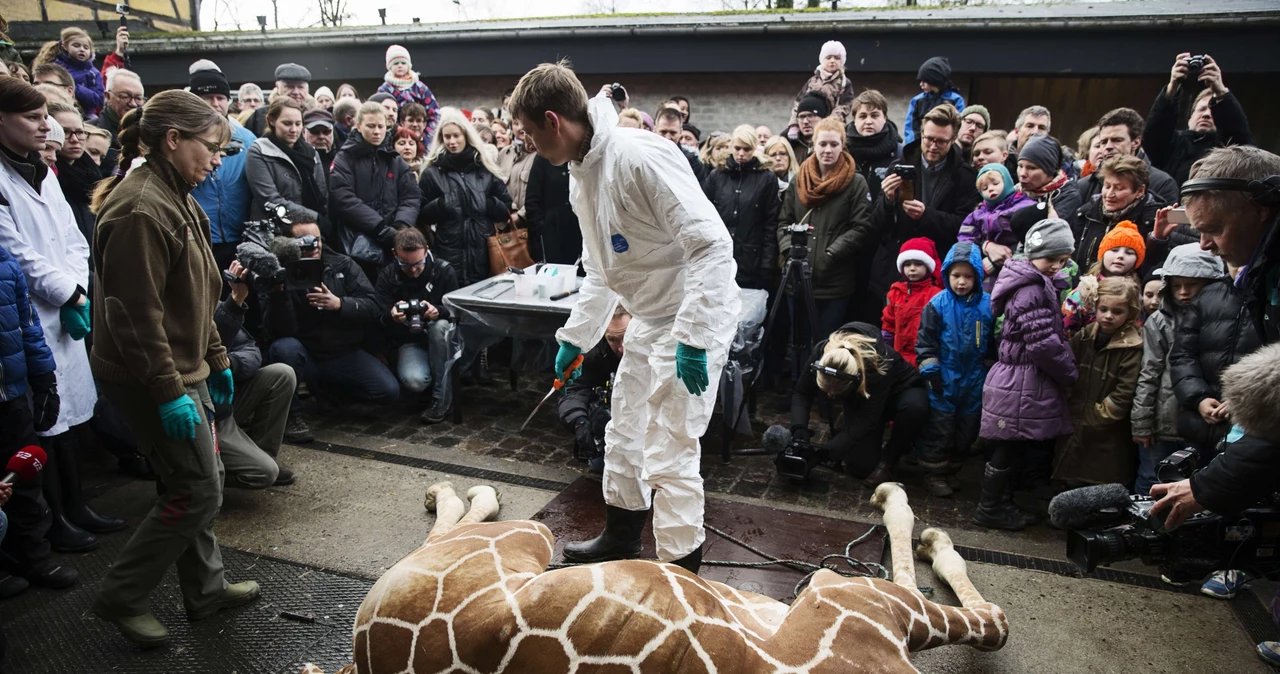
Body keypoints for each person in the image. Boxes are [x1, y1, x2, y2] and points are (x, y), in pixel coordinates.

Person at [509, 61, 740, 574]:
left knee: (670, 446)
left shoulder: (640, 157)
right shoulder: (581, 174)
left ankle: (681, 572)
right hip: (650, 315)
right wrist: (577, 337)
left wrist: (696, 337)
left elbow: (711, 247)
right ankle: (620, 536)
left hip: (693, 315)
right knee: (627, 428)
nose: (527, 143)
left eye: (528, 131)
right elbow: (600, 269)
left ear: (553, 120)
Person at [88, 89, 259, 647]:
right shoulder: (140, 207)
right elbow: (134, 316)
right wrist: (167, 389)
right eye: (211, 148)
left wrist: (214, 357)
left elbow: (195, 289)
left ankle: (205, 590)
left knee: (195, 482)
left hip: (184, 368)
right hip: (150, 375)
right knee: (196, 490)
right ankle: (122, 596)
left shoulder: (175, 190)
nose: (217, 159)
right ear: (172, 140)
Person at [0, 80, 111, 553]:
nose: (44, 125)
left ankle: (77, 505)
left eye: (46, 115)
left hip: (67, 310)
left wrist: (77, 291)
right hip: (30, 315)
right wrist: (67, 292)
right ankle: (55, 520)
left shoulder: (43, 173)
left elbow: (72, 237)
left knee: (70, 417)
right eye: (32, 117)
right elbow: (16, 252)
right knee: (45, 421)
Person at [974, 218, 1078, 531]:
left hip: (1018, 376)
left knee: (1015, 444)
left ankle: (1001, 502)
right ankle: (990, 507)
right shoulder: (1030, 289)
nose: (1056, 267)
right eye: (1051, 260)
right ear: (1034, 255)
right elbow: (1043, 344)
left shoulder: (1030, 281)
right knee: (1009, 446)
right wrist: (1069, 371)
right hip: (1022, 378)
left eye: (1062, 261)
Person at [263, 215, 399, 426]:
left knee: (388, 391)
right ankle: (292, 415)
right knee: (284, 348)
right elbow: (277, 330)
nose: (314, 245)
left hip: (342, 352)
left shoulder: (342, 264)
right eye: (305, 240)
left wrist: (339, 304)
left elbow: (373, 305)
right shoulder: (280, 272)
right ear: (290, 244)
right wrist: (279, 294)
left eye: (317, 239)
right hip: (305, 351)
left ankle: (331, 394)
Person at [0, 206, 72, 595]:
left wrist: (44, 378)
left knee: (24, 478)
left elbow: (27, 324)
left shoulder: (5, 264)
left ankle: (35, 557)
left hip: (11, 394)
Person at [778, 115, 874, 376]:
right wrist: (789, 253)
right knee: (797, 341)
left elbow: (861, 227)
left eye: (834, 144)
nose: (828, 150)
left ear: (843, 145)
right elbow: (783, 222)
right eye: (823, 144)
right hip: (796, 279)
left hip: (834, 283)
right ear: (813, 144)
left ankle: (824, 392)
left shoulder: (855, 182)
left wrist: (831, 253)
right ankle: (798, 390)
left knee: (827, 342)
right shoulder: (799, 180)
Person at [1131, 244, 1223, 495]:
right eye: (1176, 285)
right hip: (1163, 423)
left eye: (1192, 285)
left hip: (1206, 423)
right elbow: (1149, 373)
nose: (1183, 293)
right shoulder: (1159, 320)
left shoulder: (1223, 318)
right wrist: (1141, 423)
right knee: (1151, 481)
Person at [869, 104, 981, 309]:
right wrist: (888, 200)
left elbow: (964, 226)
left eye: (941, 141)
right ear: (921, 134)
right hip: (896, 269)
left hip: (937, 273)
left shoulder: (965, 176)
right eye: (929, 139)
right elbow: (875, 224)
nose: (933, 146)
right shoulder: (899, 166)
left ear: (953, 139)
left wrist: (926, 215)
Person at [790, 322, 928, 486]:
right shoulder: (821, 352)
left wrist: (830, 450)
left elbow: (868, 418)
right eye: (826, 391)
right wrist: (799, 429)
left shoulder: (878, 363)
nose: (830, 395)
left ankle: (889, 460)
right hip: (863, 399)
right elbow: (802, 393)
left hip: (898, 393)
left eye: (835, 393)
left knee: (915, 407)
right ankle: (847, 424)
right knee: (860, 468)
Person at [915, 241, 994, 497]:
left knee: (967, 428)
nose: (961, 282)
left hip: (974, 376)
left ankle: (952, 469)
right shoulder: (938, 304)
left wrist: (991, 365)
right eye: (956, 275)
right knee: (940, 426)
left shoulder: (988, 305)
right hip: (945, 375)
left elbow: (994, 340)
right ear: (947, 274)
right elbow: (926, 341)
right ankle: (933, 472)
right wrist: (930, 370)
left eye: (968, 276)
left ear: (978, 277)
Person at [1052, 277, 1143, 487]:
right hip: (1075, 415)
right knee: (1070, 467)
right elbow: (1067, 368)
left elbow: (1126, 390)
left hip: (1106, 426)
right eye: (1104, 309)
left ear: (1130, 313)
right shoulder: (1084, 336)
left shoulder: (1132, 346)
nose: (1109, 316)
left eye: (1117, 312)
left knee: (1101, 473)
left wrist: (1099, 415)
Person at [215, 261, 296, 487]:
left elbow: (250, 350)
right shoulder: (175, 310)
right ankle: (203, 476)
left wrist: (230, 364)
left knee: (281, 373)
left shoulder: (208, 301)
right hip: (202, 411)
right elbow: (202, 354)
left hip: (224, 403)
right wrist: (235, 301)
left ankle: (261, 454)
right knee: (264, 473)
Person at [374, 229, 459, 424]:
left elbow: (457, 310)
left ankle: (442, 397)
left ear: (426, 250)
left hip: (441, 337)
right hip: (410, 340)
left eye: (418, 264)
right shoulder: (387, 276)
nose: (413, 270)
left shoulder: (443, 270)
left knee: (440, 327)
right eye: (406, 265)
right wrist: (391, 315)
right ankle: (427, 378)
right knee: (415, 381)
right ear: (395, 254)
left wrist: (439, 311)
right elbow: (377, 315)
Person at [330, 101, 421, 282]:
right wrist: (379, 228)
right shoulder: (344, 158)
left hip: (394, 241)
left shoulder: (395, 160)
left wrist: (400, 227)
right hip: (358, 242)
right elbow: (343, 198)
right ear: (358, 125)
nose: (377, 131)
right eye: (371, 126)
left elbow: (411, 196)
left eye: (381, 126)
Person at [1143, 53, 1253, 185]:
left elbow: (1239, 138)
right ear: (1190, 118)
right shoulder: (1173, 145)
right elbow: (1154, 135)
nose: (1206, 115)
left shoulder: (1226, 148)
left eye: (1213, 111)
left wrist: (1221, 92)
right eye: (1201, 109)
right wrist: (1172, 87)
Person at [189, 60, 257, 271]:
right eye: (208, 98)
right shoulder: (184, 139)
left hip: (240, 237)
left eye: (221, 98)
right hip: (199, 238)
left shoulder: (247, 139)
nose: (215, 103)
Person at [702, 124, 780, 292]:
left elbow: (770, 224)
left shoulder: (766, 178)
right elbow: (703, 215)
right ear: (731, 147)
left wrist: (767, 265)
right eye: (737, 148)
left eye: (747, 149)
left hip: (751, 260)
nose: (741, 154)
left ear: (754, 149)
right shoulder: (717, 176)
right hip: (720, 258)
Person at [558, 306, 630, 476]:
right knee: (600, 466)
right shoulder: (594, 352)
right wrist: (578, 421)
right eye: (613, 339)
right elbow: (574, 389)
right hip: (611, 419)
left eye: (626, 337)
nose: (621, 348)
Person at [245, 98, 329, 240]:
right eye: (287, 123)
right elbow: (270, 200)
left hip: (312, 231)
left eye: (298, 123)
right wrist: (315, 217)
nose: (294, 129)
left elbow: (323, 195)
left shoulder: (310, 153)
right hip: (274, 233)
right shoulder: (258, 151)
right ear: (272, 121)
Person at [1072, 155, 1162, 276]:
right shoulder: (1085, 214)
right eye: (1107, 186)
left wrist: (1159, 240)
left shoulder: (1153, 221)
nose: (1109, 194)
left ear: (1140, 191)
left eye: (1119, 188)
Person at [956, 163, 1035, 291]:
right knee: (989, 296)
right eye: (985, 188)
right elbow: (965, 238)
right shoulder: (978, 214)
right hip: (991, 265)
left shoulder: (1024, 205)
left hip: (1020, 261)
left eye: (995, 184)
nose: (990, 189)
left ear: (1007, 182)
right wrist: (984, 247)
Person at [1076, 108, 1178, 205]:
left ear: (1136, 142)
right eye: (1103, 142)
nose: (1108, 147)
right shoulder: (1084, 186)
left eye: (1117, 140)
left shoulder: (1162, 184)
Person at [1062, 219, 1145, 336]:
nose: (1120, 256)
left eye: (1129, 252)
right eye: (1114, 250)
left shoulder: (1137, 294)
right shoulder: (1082, 293)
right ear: (1103, 254)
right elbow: (1066, 331)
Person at [881, 237, 942, 367]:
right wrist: (886, 347)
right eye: (907, 264)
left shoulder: (936, 295)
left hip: (925, 358)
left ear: (928, 266)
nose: (912, 269)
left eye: (918, 264)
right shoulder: (895, 292)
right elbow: (889, 322)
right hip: (898, 356)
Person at [48, 102, 101, 246]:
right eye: (65, 132)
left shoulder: (93, 177)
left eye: (79, 132)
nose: (75, 139)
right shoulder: (46, 179)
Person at [844, 89, 902, 205]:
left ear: (884, 118)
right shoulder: (842, 151)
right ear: (854, 119)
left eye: (874, 116)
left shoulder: (900, 153)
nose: (868, 121)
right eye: (863, 116)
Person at [785, 40, 856, 136]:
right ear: (822, 60)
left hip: (833, 124)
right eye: (828, 57)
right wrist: (794, 124)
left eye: (836, 58)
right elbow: (799, 103)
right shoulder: (813, 80)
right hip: (809, 121)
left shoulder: (844, 83)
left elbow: (843, 107)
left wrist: (828, 122)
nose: (832, 61)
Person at [1011, 134, 1081, 231]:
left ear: (1051, 169)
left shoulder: (1068, 196)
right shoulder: (1015, 191)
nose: (1022, 173)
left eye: (1031, 168)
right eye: (1020, 166)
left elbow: (1048, 233)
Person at [32, 28, 103, 117]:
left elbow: (99, 99)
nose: (82, 50)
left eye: (86, 47)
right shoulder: (56, 66)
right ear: (65, 46)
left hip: (86, 113)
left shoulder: (93, 73)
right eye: (76, 46)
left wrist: (76, 88)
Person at [524, 152, 579, 265]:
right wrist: (541, 227)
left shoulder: (580, 157)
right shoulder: (544, 157)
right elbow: (532, 200)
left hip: (580, 233)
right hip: (552, 235)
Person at [377, 45, 440, 139]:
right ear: (389, 67)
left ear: (409, 65)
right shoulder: (385, 89)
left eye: (403, 63)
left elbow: (434, 113)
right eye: (395, 63)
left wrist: (425, 135)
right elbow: (377, 114)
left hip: (421, 136)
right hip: (394, 137)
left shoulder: (419, 87)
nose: (400, 65)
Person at [903, 57, 965, 145]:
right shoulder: (917, 101)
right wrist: (912, 147)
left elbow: (960, 127)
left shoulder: (955, 100)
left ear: (934, 80)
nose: (921, 84)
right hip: (920, 146)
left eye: (925, 81)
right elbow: (910, 128)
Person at [244, 63, 311, 137]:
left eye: (300, 87)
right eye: (289, 86)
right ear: (277, 87)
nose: (296, 92)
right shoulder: (259, 116)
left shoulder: (315, 116)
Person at [653, 106, 706, 182]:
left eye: (673, 133)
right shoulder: (644, 156)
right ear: (655, 130)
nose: (667, 137)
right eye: (663, 132)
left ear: (680, 132)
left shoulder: (692, 162)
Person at [787, 92, 826, 165]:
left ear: (822, 118)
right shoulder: (789, 146)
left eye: (810, 116)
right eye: (801, 117)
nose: (805, 121)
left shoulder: (831, 147)